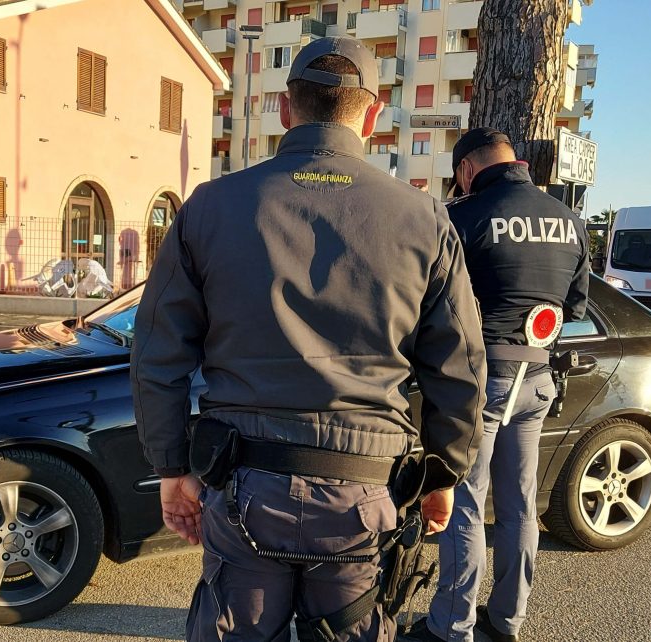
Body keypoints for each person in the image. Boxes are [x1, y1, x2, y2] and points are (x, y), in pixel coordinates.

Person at [130, 36, 486, 642]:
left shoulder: (209, 207)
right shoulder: (424, 219)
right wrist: (444, 473)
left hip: (243, 481)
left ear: (284, 108)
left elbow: (157, 352)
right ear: (372, 116)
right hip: (365, 488)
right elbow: (460, 365)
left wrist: (171, 467)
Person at [402, 129, 589, 642]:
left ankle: (452, 626)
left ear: (466, 169)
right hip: (538, 378)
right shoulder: (569, 220)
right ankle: (507, 620)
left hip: (479, 382)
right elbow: (574, 305)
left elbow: (430, 301)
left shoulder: (464, 216)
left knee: (464, 501)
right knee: (519, 505)